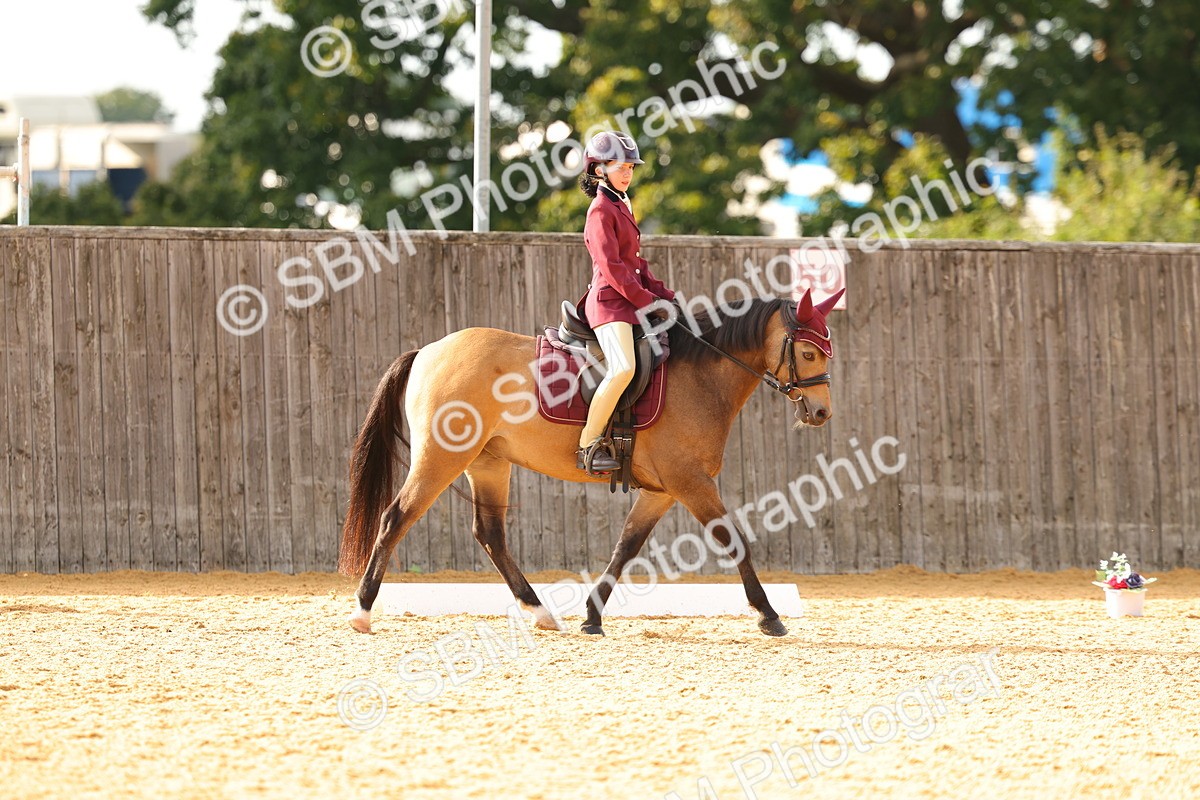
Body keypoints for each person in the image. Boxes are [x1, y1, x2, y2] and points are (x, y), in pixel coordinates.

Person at [574, 131, 676, 473]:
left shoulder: (622, 202)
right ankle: (588, 444)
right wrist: (648, 301)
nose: (628, 172)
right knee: (623, 368)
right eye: (621, 166)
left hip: (627, 302)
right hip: (608, 304)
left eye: (631, 166)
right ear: (599, 169)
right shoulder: (600, 210)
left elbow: (635, 262)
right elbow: (613, 268)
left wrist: (666, 295)